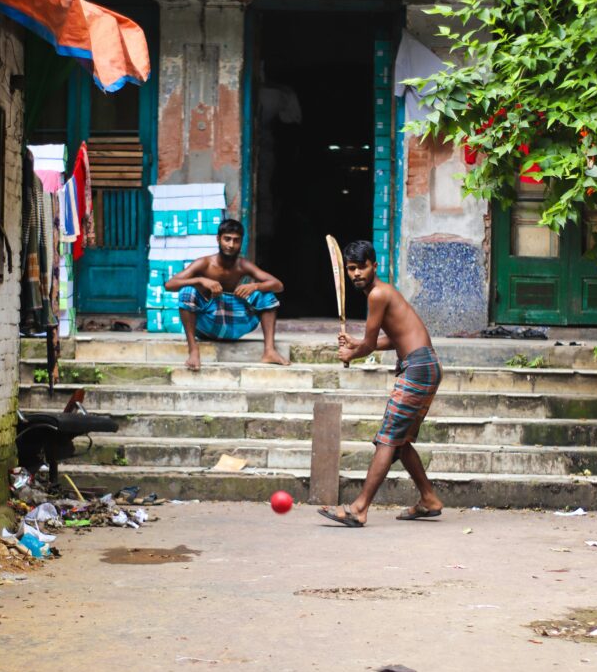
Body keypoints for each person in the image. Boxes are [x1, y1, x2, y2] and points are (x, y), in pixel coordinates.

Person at [318, 240, 443, 527]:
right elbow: (396, 337)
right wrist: (359, 343)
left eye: (362, 267)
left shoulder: (377, 294)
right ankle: (429, 499)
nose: (356, 273)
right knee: (400, 443)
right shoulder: (382, 293)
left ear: (374, 265)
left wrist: (354, 350)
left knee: (387, 439)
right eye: (351, 269)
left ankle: (359, 508)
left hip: (418, 369)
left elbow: (371, 343)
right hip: (424, 365)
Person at [164, 218, 289, 371]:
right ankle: (193, 350)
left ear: (241, 242)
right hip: (208, 325)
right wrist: (201, 280)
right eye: (227, 239)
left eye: (236, 240)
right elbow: (170, 285)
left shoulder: (243, 265)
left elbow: (278, 285)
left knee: (265, 293)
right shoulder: (204, 263)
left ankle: (269, 351)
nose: (231, 245)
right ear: (218, 239)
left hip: (234, 323)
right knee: (187, 291)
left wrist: (255, 285)